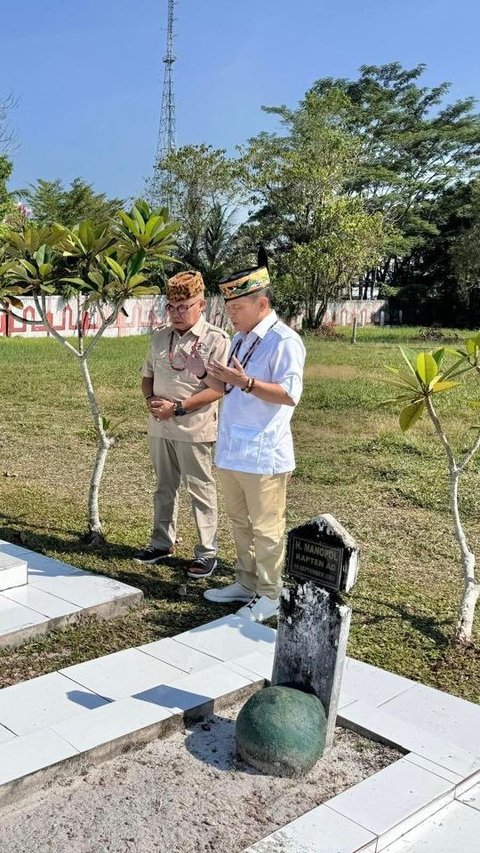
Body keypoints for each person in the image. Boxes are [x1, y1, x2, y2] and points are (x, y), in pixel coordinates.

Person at [203, 262, 306, 622]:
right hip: (232, 449)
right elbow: (229, 387)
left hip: (264, 454)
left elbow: (290, 394)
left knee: (266, 528)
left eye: (237, 308)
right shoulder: (240, 339)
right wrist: (204, 371)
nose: (230, 314)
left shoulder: (284, 341)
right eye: (228, 307)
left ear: (262, 304)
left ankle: (270, 593)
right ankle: (245, 582)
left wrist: (247, 382)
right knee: (239, 522)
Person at [134, 270, 229, 578]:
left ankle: (207, 553)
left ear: (201, 305)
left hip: (194, 427)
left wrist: (176, 408)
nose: (175, 313)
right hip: (159, 425)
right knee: (164, 487)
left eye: (183, 306)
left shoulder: (215, 339)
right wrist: (151, 401)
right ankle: (161, 543)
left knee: (200, 489)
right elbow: (147, 376)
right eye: (171, 307)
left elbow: (217, 389)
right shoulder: (160, 336)